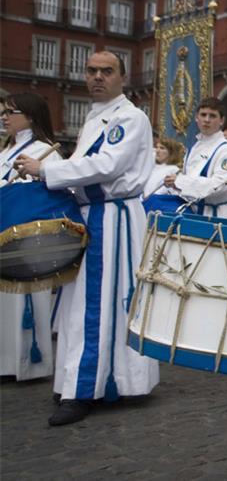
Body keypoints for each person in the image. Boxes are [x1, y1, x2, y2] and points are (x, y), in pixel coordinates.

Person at [13, 51, 158, 426]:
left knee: (96, 304)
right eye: (91, 71)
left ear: (122, 78)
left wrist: (47, 168)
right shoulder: (96, 118)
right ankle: (98, 379)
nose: (97, 77)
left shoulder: (128, 117)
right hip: (98, 216)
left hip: (113, 216)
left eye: (106, 71)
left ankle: (85, 388)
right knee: (88, 303)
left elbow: (106, 165)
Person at [0, 93, 62, 382]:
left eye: (11, 112)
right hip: (4, 228)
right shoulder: (6, 150)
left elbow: (55, 188)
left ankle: (28, 364)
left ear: (30, 117)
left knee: (26, 298)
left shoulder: (45, 150)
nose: (4, 117)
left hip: (28, 234)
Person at [165, 97, 227, 218]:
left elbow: (221, 186)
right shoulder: (194, 147)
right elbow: (188, 178)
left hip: (216, 215)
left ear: (222, 120)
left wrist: (180, 181)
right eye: (203, 115)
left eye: (212, 116)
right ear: (196, 118)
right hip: (193, 211)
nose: (206, 120)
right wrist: (174, 184)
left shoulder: (226, 150)